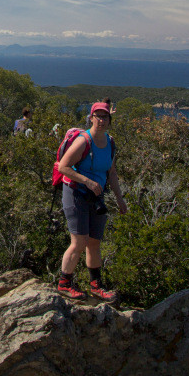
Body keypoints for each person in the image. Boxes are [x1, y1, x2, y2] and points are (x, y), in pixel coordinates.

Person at [55, 101, 128, 300]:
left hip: (97, 196)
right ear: (91, 118)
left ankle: (96, 286)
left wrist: (120, 199)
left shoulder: (110, 143)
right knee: (79, 241)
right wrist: (87, 181)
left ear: (109, 120)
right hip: (76, 192)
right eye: (98, 116)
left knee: (94, 242)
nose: (101, 120)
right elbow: (63, 167)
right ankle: (64, 283)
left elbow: (111, 173)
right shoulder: (83, 141)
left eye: (105, 117)